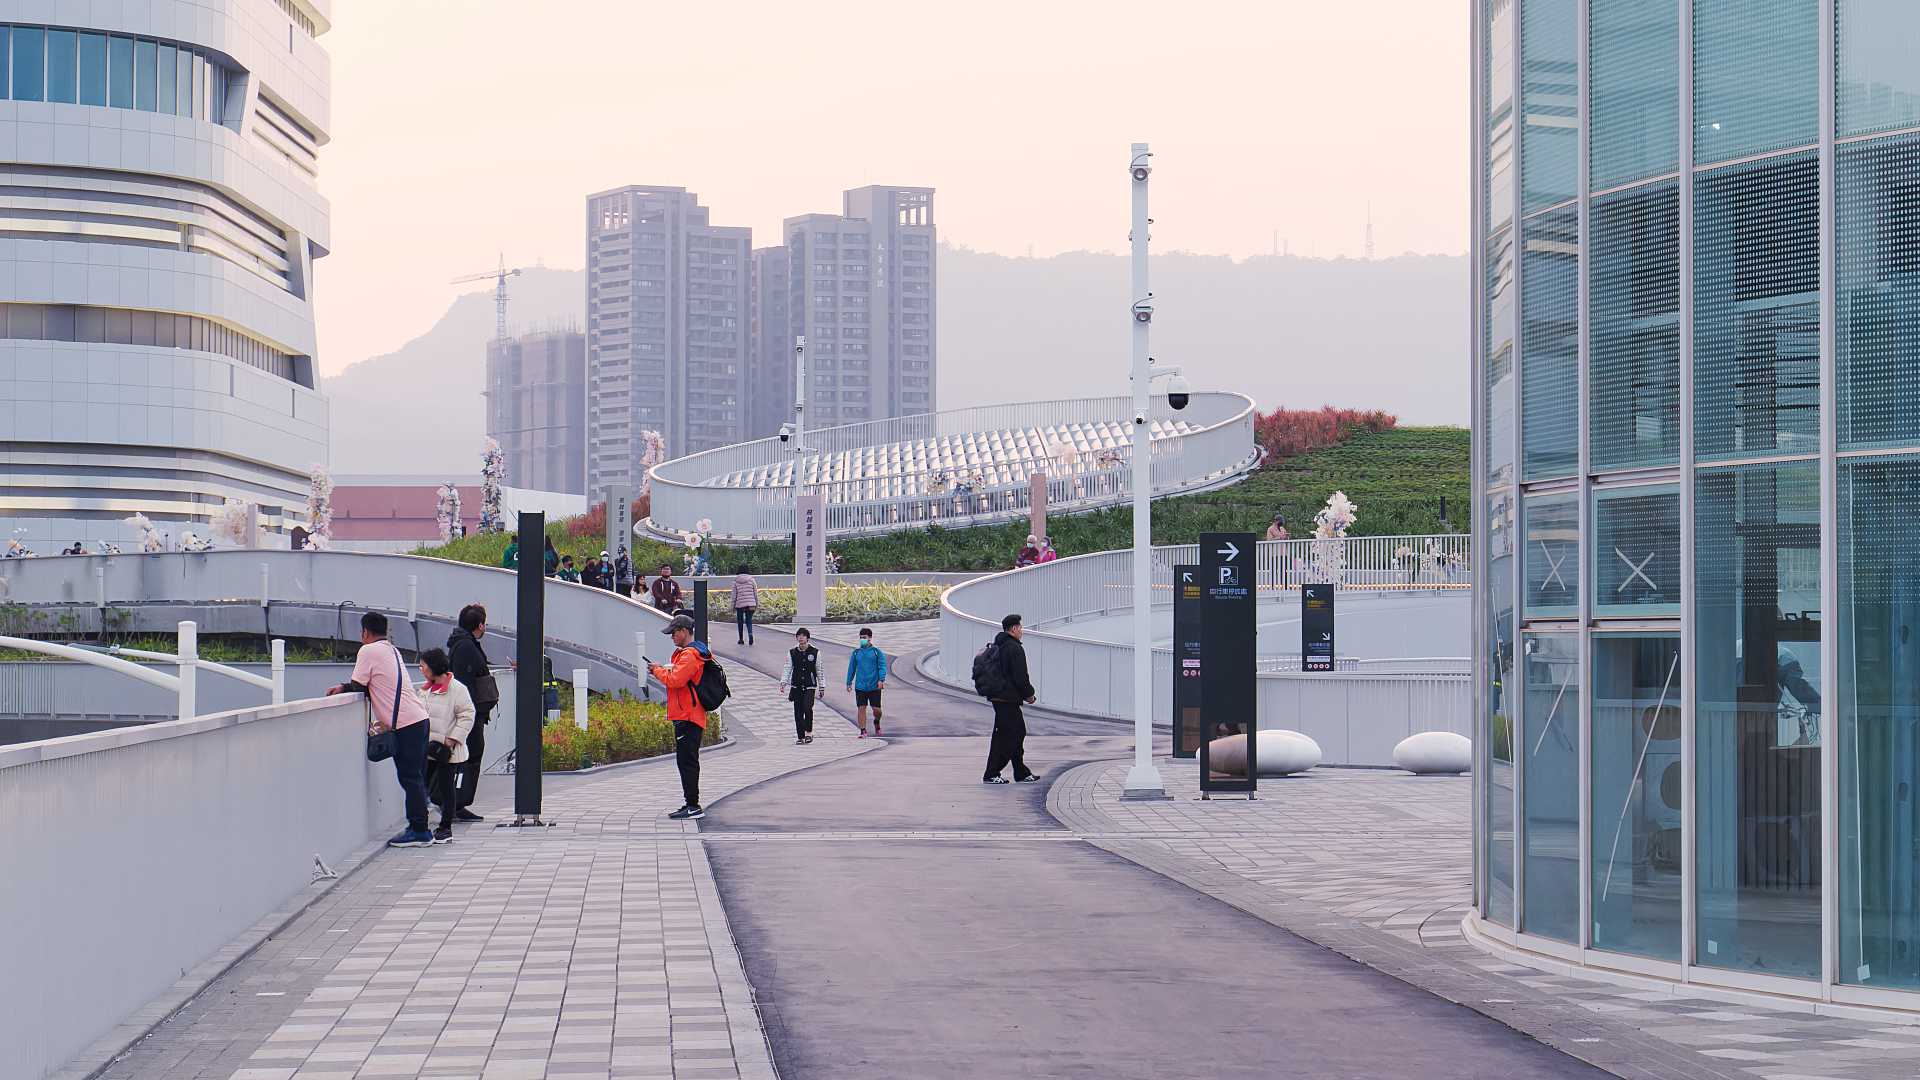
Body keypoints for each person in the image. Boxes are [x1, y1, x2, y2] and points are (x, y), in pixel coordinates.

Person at [328, 612, 434, 845]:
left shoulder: (368, 651)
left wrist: (341, 687)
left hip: (407, 723)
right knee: (415, 776)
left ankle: (420, 831)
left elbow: (359, 685)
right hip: (419, 719)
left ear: (365, 632)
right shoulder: (391, 650)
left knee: (409, 777)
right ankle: (420, 826)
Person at [649, 613, 709, 819]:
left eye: (674, 633)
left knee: (687, 761)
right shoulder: (689, 653)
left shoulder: (690, 655)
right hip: (688, 714)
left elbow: (675, 680)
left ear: (684, 631)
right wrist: (661, 669)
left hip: (688, 715)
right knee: (686, 760)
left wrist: (657, 670)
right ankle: (690, 803)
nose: (672, 637)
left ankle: (693, 805)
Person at [415, 647, 475, 844]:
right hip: (427, 749)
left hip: (447, 751)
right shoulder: (425, 690)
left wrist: (452, 739)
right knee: (421, 786)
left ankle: (445, 827)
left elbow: (467, 715)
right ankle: (421, 825)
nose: (421, 669)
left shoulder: (457, 689)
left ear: (433, 667)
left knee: (446, 789)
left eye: (423, 665)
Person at [445, 604, 498, 822]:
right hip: (469, 714)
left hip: (472, 713)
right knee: (469, 757)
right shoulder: (466, 647)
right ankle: (456, 803)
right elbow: (465, 681)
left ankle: (458, 802)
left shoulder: (463, 643)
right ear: (480, 624)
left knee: (468, 757)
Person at [982, 613, 1039, 784]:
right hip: (1007, 699)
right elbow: (1020, 676)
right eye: (1020, 627)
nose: (1022, 631)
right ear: (1013, 629)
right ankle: (993, 773)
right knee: (1011, 735)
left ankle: (1019, 772)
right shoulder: (1014, 648)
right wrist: (1029, 694)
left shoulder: (998, 645)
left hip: (999, 698)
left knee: (1011, 733)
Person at [845, 627, 889, 737]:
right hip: (860, 686)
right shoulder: (856, 653)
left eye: (864, 638)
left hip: (874, 685)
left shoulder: (876, 652)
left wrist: (881, 680)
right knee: (861, 708)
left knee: (877, 709)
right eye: (860, 638)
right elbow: (852, 668)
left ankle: (877, 722)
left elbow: (882, 666)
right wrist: (849, 682)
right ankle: (863, 730)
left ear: (870, 638)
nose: (862, 640)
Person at [781, 627, 822, 744]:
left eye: (803, 636)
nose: (801, 638)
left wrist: (822, 686)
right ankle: (800, 736)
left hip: (810, 685)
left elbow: (819, 669)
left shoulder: (815, 652)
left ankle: (808, 732)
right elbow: (787, 667)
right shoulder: (792, 652)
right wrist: (783, 682)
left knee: (807, 707)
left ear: (807, 638)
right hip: (796, 685)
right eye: (799, 636)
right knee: (798, 711)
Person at [732, 565, 759, 645]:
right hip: (750, 604)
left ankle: (741, 639)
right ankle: (750, 635)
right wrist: (756, 604)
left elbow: (734, 595)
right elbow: (755, 593)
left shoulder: (736, 581)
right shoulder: (752, 580)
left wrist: (732, 606)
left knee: (740, 622)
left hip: (739, 604)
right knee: (749, 620)